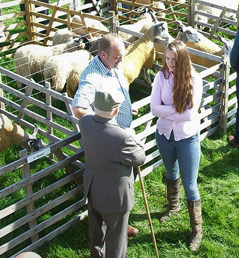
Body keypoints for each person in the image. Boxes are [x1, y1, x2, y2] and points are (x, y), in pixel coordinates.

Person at [72, 33, 141, 239]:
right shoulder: (92, 77)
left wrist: (127, 108)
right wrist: (104, 123)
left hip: (120, 135)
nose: (121, 61)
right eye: (117, 57)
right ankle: (111, 225)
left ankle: (118, 221)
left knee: (125, 179)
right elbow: (78, 108)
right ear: (103, 54)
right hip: (108, 140)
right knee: (111, 181)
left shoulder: (113, 65)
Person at [150, 40, 204, 253]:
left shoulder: (194, 78)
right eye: (167, 58)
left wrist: (167, 109)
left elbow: (191, 114)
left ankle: (196, 230)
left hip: (187, 137)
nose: (169, 63)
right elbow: (154, 109)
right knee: (170, 172)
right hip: (164, 134)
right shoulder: (160, 77)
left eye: (173, 59)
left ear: (182, 59)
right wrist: (176, 110)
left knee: (190, 184)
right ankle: (173, 206)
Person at [81, 89, 146, 258]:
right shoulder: (122, 138)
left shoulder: (85, 122)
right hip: (115, 198)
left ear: (94, 105)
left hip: (93, 190)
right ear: (116, 111)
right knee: (116, 239)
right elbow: (139, 158)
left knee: (96, 234)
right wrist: (134, 137)